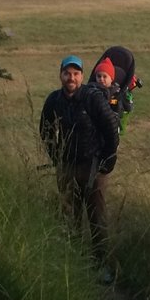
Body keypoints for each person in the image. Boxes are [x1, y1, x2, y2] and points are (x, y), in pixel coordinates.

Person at [39, 55, 120, 279]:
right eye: (67, 73)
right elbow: (45, 130)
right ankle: (74, 264)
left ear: (82, 76)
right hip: (67, 167)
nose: (71, 78)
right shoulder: (54, 100)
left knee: (97, 218)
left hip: (95, 167)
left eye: (75, 74)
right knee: (69, 216)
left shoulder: (92, 97)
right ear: (61, 75)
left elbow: (111, 128)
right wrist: (56, 157)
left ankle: (101, 266)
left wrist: (108, 160)